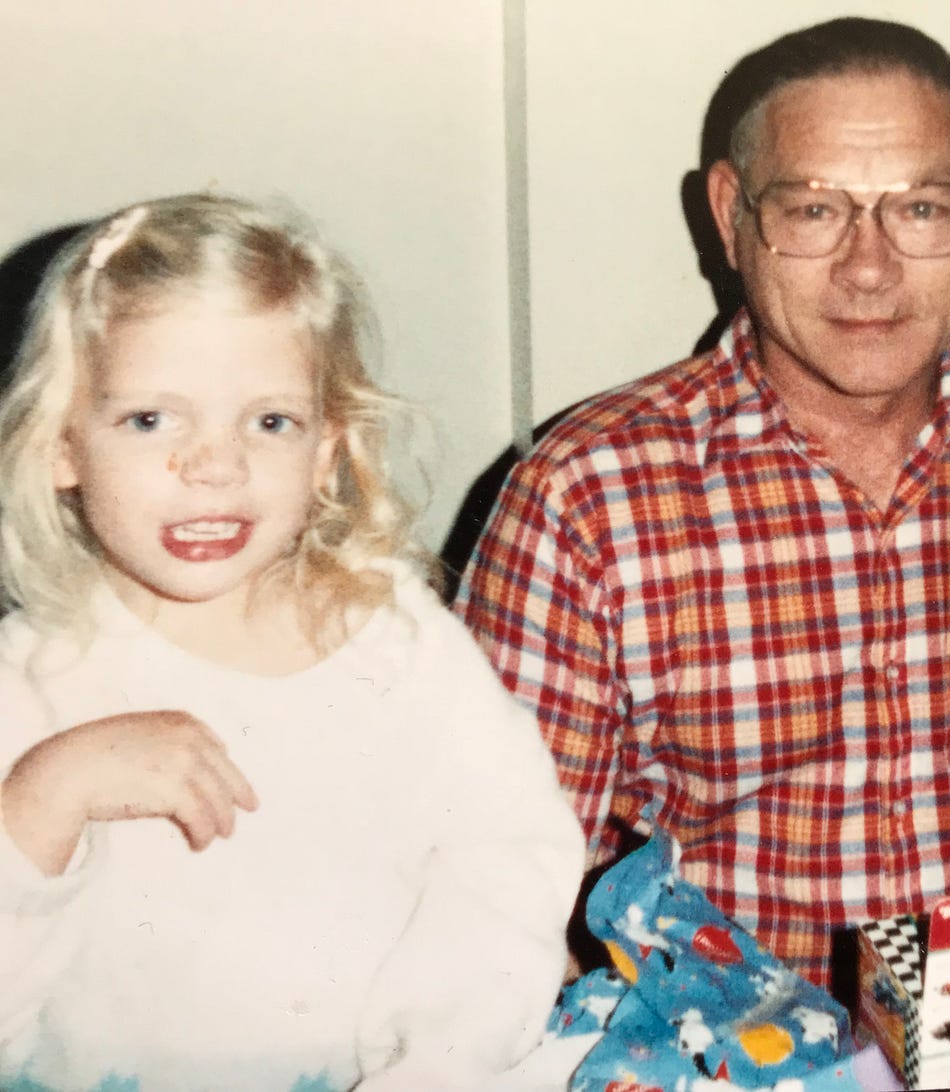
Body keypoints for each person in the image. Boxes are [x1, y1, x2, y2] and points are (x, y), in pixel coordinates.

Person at [454, 17, 950, 987]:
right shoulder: (585, 498)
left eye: (921, 210)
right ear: (730, 215)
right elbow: (508, 893)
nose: (869, 268)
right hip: (699, 1054)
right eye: (813, 211)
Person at [0, 194, 584, 1091]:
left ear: (324, 453)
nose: (216, 465)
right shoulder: (32, 680)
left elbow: (505, 862)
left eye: (269, 422)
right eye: (150, 419)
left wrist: (438, 1062)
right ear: (61, 448)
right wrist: (41, 799)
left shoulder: (391, 636)